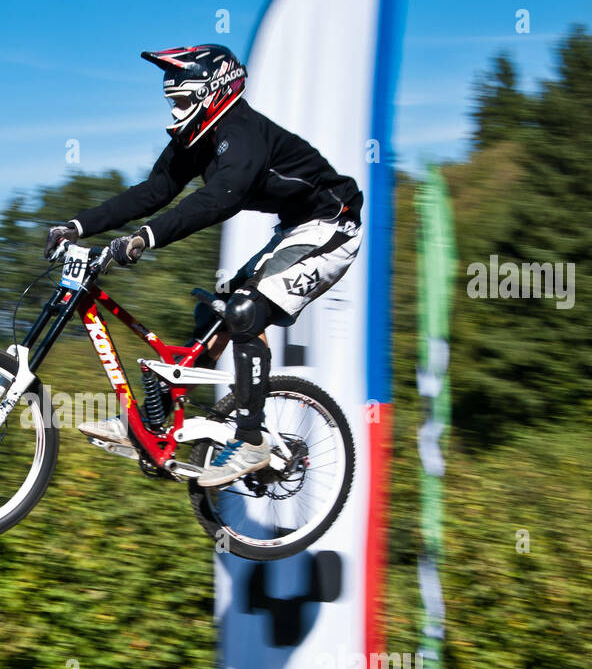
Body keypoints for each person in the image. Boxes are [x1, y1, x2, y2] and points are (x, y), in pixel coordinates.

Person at [46, 44, 362, 487]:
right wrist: (77, 226)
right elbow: (152, 192)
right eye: (171, 102)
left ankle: (253, 441)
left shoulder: (244, 132)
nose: (175, 111)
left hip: (334, 224)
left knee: (245, 310)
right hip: (295, 227)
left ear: (213, 92)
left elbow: (219, 200)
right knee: (213, 315)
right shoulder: (196, 139)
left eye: (181, 100)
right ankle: (157, 428)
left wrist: (144, 238)